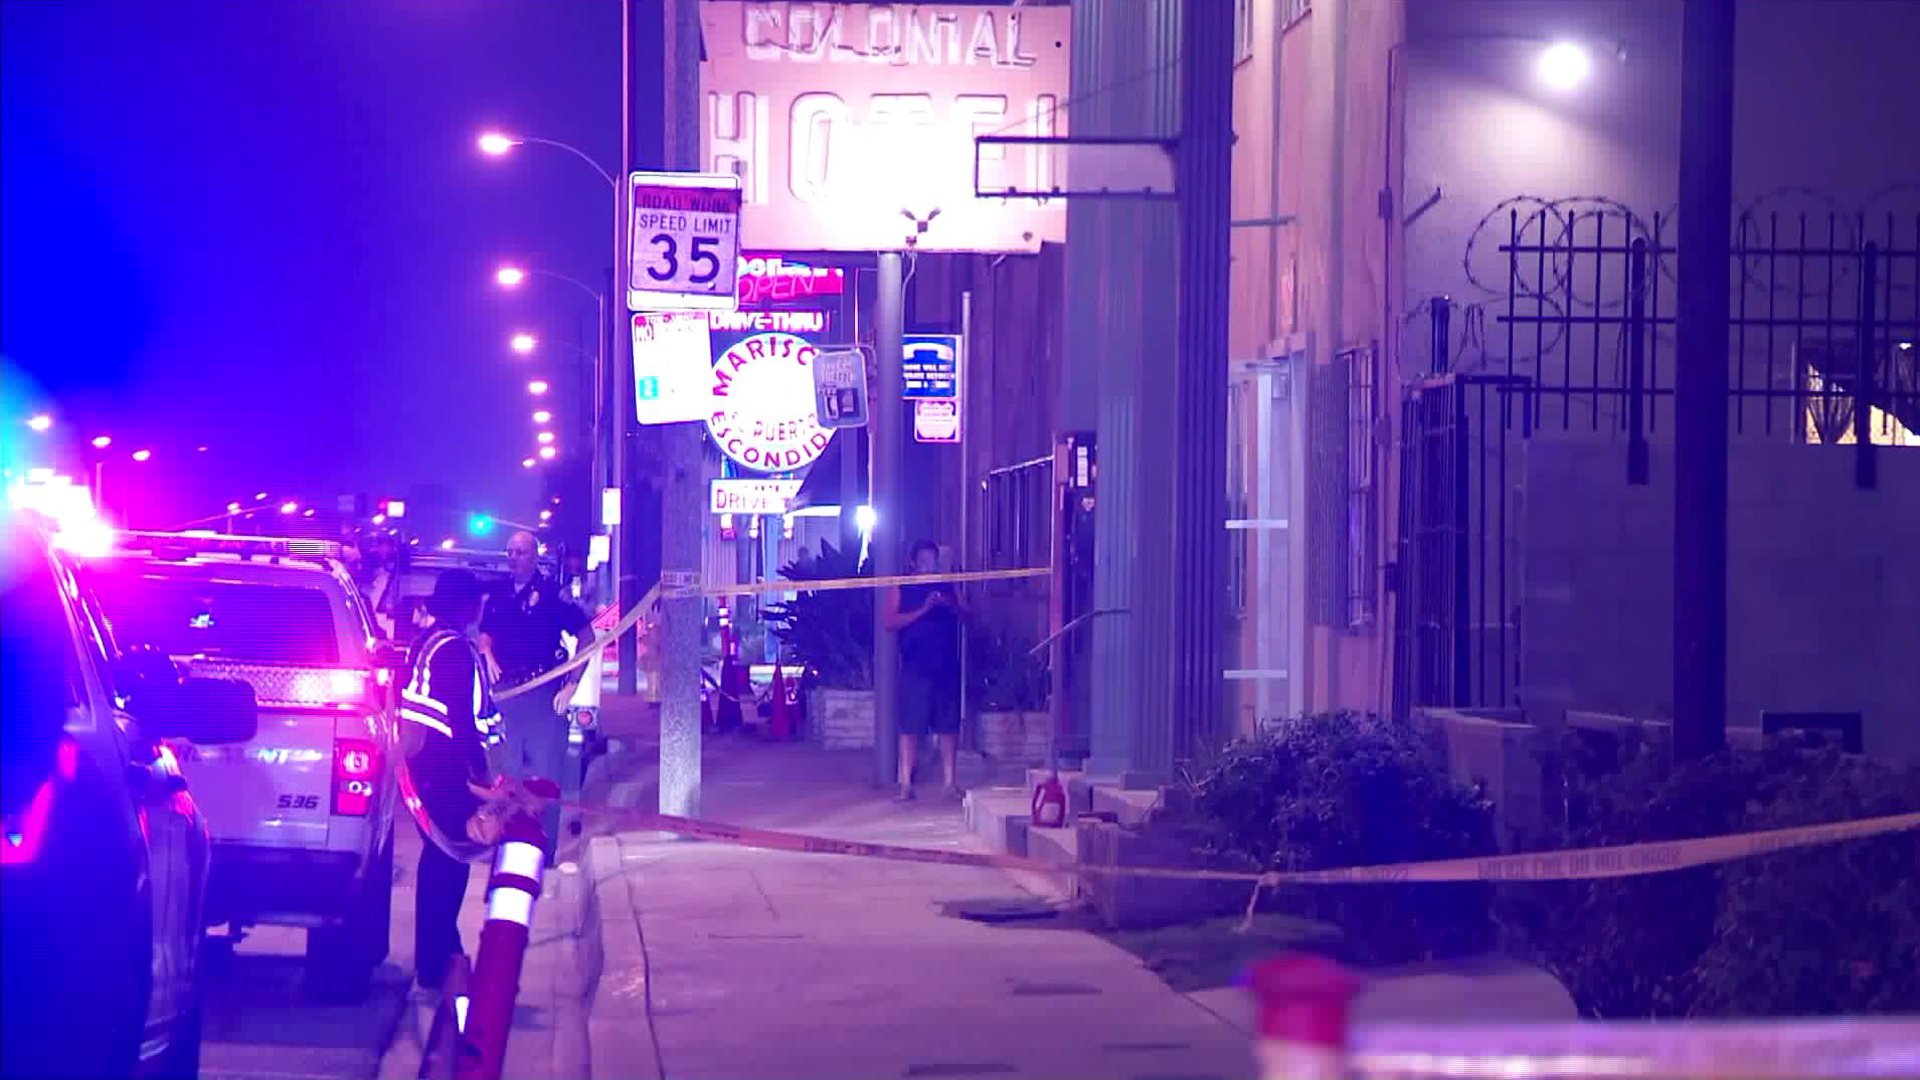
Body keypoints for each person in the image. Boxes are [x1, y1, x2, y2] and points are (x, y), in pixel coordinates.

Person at [395, 568, 503, 991]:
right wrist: (481, 775)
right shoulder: (455, 649)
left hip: (425, 765)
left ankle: (438, 954)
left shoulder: (429, 640)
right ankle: (439, 959)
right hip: (446, 769)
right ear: (465, 604)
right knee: (450, 862)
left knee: (440, 861)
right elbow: (461, 720)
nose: (480, 607)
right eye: (475, 600)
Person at [477, 530, 587, 857]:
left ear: (535, 556)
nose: (514, 559)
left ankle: (543, 851)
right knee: (506, 775)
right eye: (510, 552)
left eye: (521, 553)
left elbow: (587, 636)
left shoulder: (554, 595)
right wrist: (487, 653)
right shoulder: (498, 594)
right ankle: (506, 847)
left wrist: (572, 683)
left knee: (543, 777)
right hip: (507, 694)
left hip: (543, 693)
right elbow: (485, 633)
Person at [883, 539, 968, 801]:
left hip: (946, 666)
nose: (929, 566)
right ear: (913, 563)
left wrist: (948, 605)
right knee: (911, 726)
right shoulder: (902, 586)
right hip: (915, 667)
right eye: (924, 561)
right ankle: (906, 783)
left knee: (948, 726)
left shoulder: (948, 585)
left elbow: (967, 615)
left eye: (933, 560)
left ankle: (950, 783)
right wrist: (923, 609)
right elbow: (889, 621)